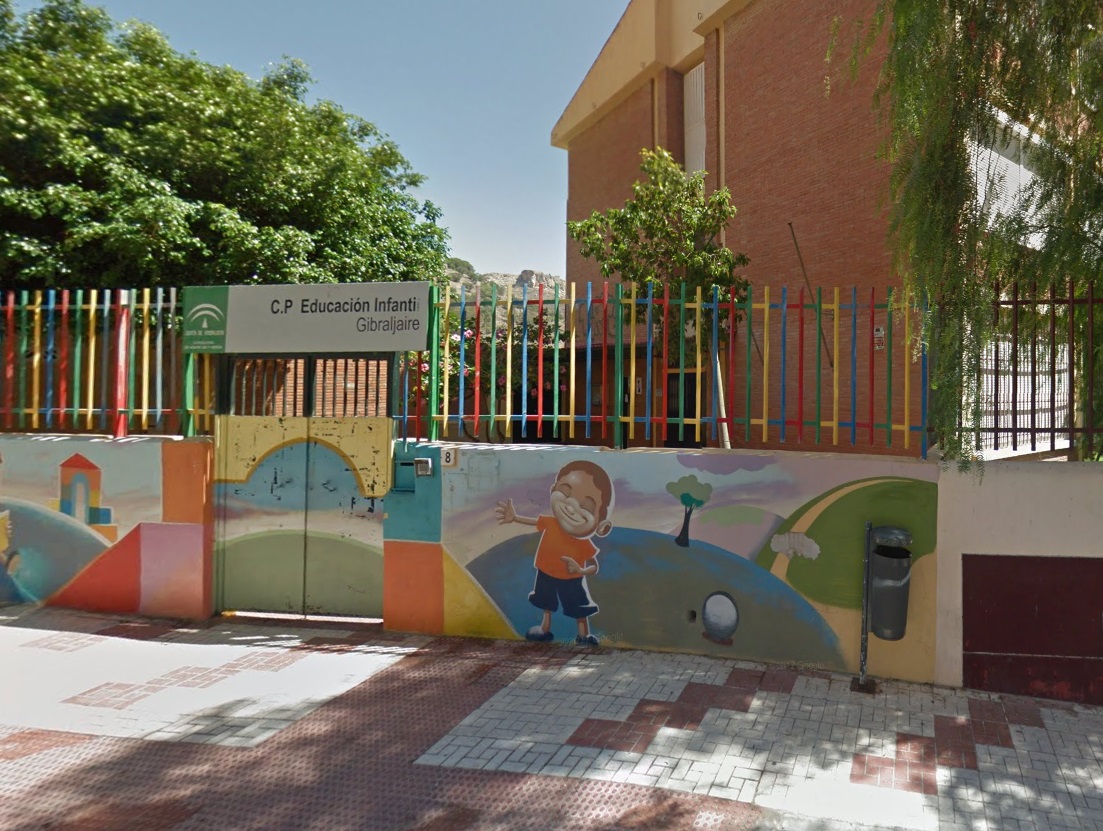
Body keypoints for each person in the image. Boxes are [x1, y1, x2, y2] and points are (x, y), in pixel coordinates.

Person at [495, 460, 614, 645]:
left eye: (587, 506)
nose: (571, 505)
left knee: (579, 607)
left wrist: (580, 570)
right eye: (565, 492)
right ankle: (544, 629)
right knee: (546, 602)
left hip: (572, 579)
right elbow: (534, 522)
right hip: (546, 572)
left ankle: (583, 635)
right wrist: (514, 517)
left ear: (601, 525)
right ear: (553, 490)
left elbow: (594, 566)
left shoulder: (583, 542)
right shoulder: (551, 523)